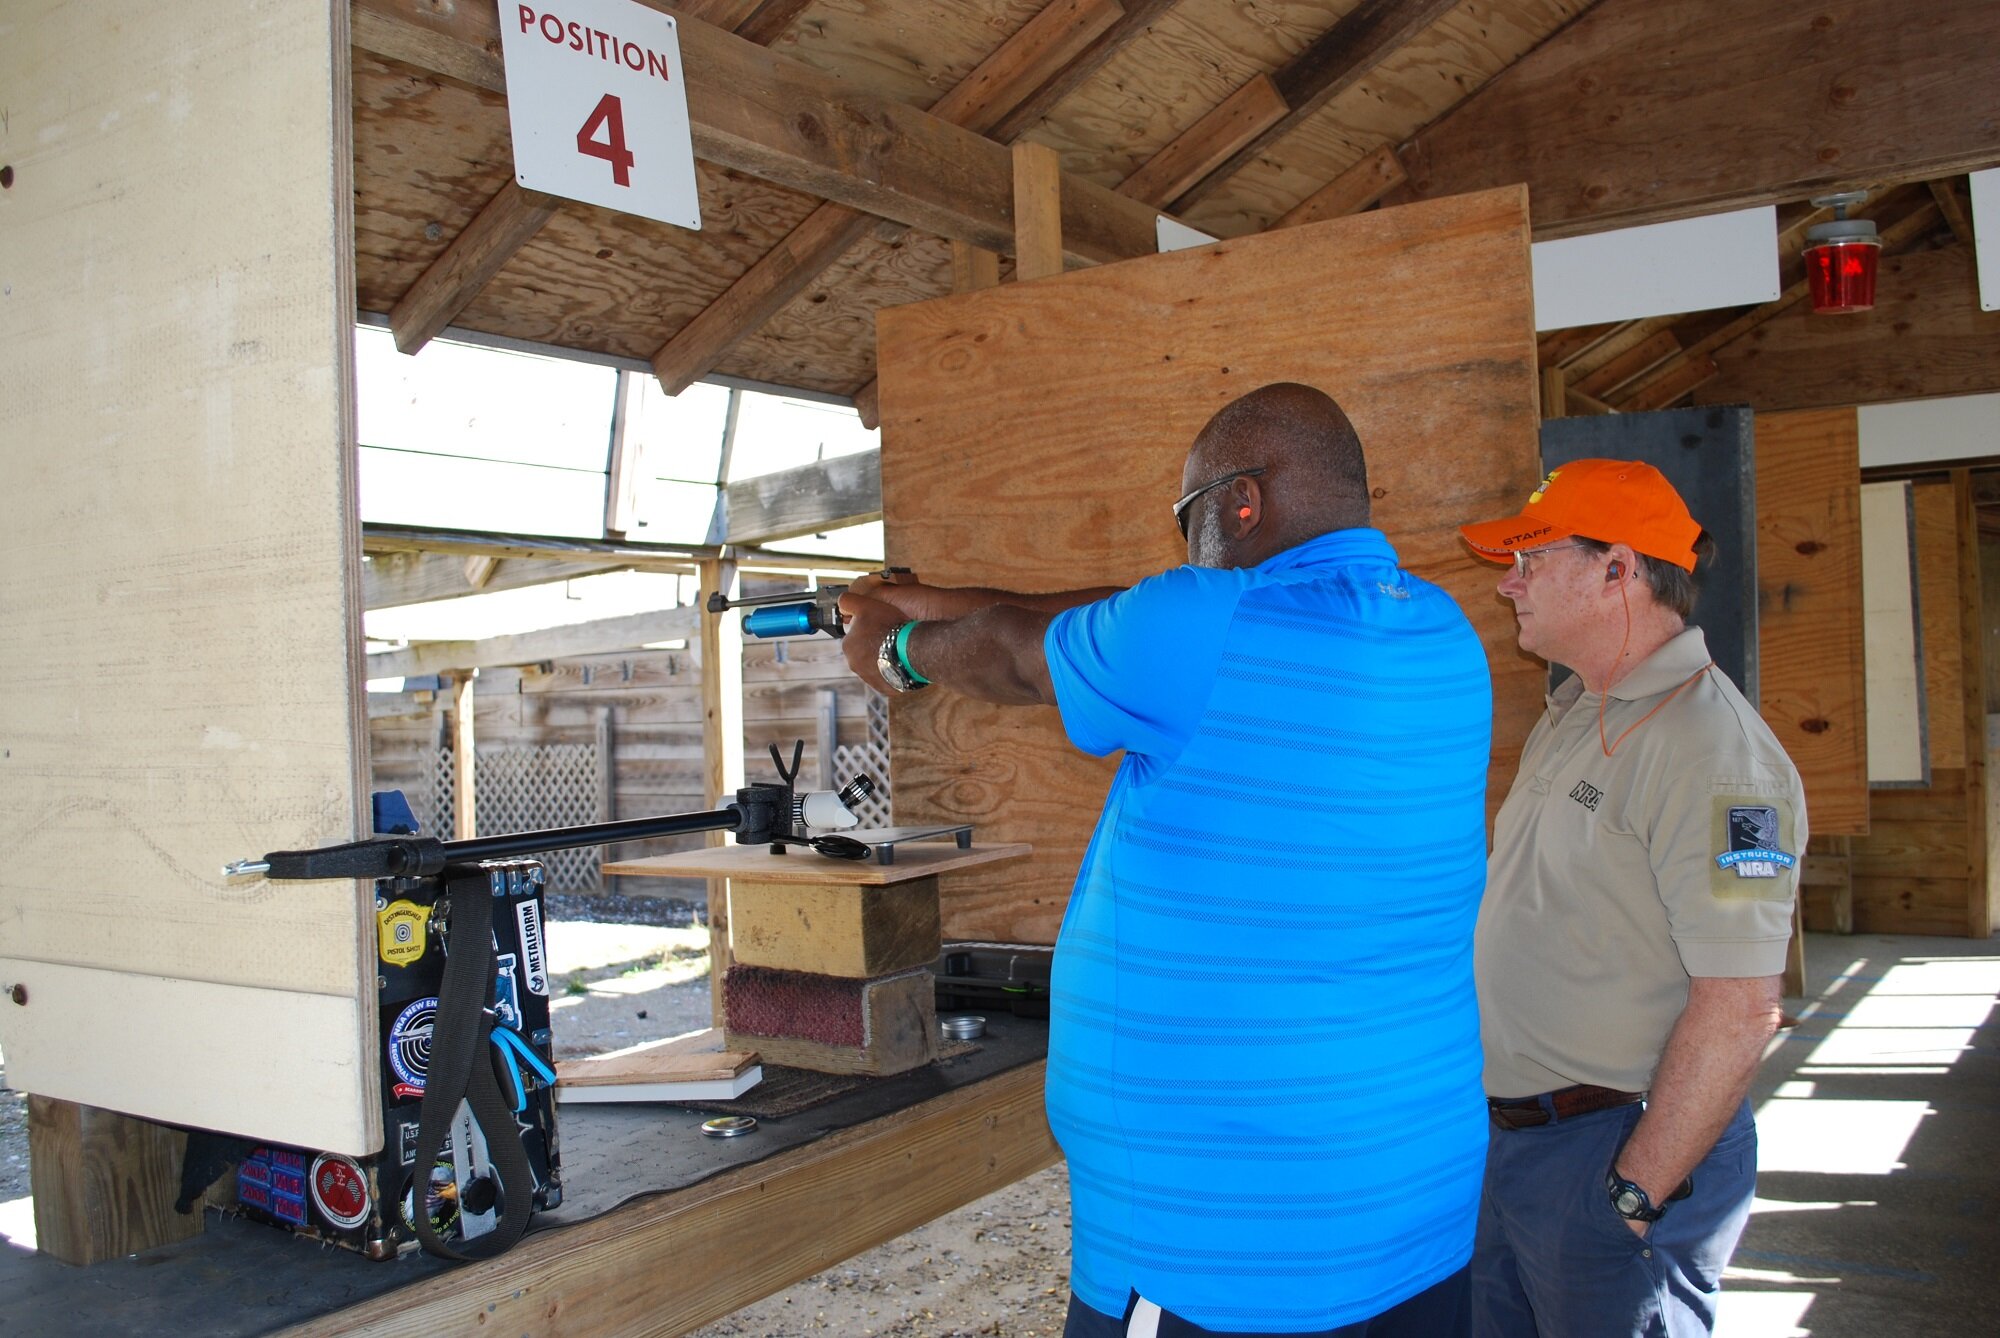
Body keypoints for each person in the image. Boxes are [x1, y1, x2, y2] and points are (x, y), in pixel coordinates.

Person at [838, 382, 1493, 1337]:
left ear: (1243, 501)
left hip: (1224, 1256)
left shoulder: (1202, 624)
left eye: (1188, 518)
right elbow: (1110, 615)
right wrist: (925, 596)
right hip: (1410, 1219)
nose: (1184, 548)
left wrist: (895, 646)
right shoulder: (1443, 632)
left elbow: (1023, 654)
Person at [1457, 459, 1806, 1338]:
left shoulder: (1722, 759)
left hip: (1615, 1150)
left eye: (1532, 559)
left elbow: (1741, 1008)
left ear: (1619, 568)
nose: (1510, 582)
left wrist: (1631, 1194)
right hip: (1519, 1147)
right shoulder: (1578, 710)